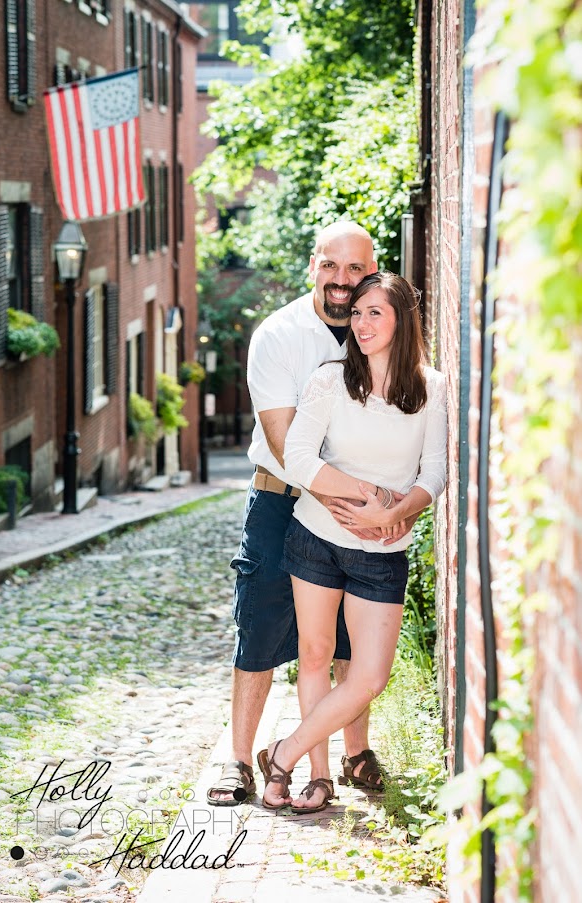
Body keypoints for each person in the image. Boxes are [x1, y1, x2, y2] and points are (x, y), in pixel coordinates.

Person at [207, 222, 412, 807]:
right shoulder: (279, 335)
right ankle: (239, 760)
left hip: (358, 509)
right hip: (283, 501)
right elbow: (282, 442)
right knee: (260, 628)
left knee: (348, 636)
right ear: (313, 267)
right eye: (330, 265)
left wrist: (395, 506)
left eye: (355, 268)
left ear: (372, 271)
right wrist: (360, 506)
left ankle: (354, 753)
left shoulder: (383, 330)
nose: (342, 280)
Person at [257, 271, 447, 812]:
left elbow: (434, 471)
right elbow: (298, 457)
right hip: (316, 537)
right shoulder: (330, 380)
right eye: (357, 313)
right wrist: (368, 496)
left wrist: (397, 513)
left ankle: (283, 753)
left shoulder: (432, 388)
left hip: (382, 553)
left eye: (374, 313)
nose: (360, 323)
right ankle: (319, 776)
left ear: (402, 321)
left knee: (370, 676)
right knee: (315, 655)